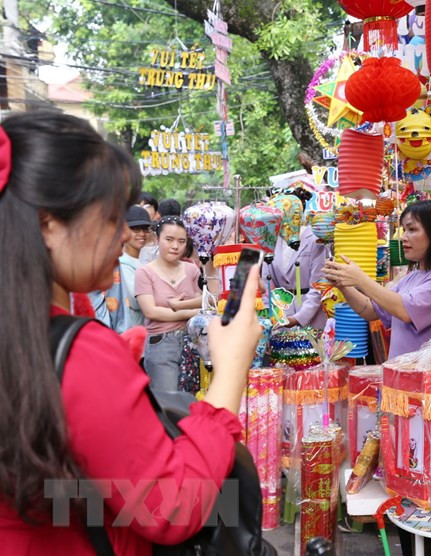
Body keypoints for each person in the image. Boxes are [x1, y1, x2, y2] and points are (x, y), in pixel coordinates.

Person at [0, 111, 262, 553]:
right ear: (48, 224)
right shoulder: (78, 353)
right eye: (109, 218)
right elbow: (173, 506)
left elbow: (59, 497)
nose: (126, 235)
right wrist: (231, 371)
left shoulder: (28, 341)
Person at [322, 199, 431, 359]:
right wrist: (342, 284)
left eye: (412, 229)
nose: (403, 237)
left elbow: (405, 311)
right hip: (403, 378)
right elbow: (371, 311)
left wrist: (360, 279)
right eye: (404, 229)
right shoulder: (411, 277)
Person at [135, 216, 203, 392]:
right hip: (161, 344)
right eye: (169, 240)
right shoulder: (144, 272)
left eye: (181, 241)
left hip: (193, 341)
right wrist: (189, 311)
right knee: (167, 401)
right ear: (157, 239)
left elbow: (205, 303)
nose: (175, 246)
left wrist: (179, 306)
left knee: (192, 397)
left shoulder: (192, 269)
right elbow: (151, 312)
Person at [88, 205, 151, 333]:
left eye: (145, 229)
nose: (142, 234)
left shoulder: (115, 261)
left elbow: (116, 304)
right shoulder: (121, 263)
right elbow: (136, 301)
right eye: (136, 229)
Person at [272, 224, 329, 330]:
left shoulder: (315, 239)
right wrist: (273, 314)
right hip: (281, 316)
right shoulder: (271, 240)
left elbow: (319, 285)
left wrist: (298, 318)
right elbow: (268, 282)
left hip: (312, 317)